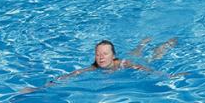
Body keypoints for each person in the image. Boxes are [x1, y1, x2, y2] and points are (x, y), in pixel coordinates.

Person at [20, 38, 179, 93]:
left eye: (105, 54)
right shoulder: (94, 68)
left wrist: (167, 76)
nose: (101, 57)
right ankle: (142, 43)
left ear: (113, 55)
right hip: (128, 59)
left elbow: (146, 70)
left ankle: (166, 43)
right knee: (136, 51)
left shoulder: (123, 63)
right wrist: (41, 88)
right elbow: (72, 75)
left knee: (153, 56)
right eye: (98, 54)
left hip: (137, 63)